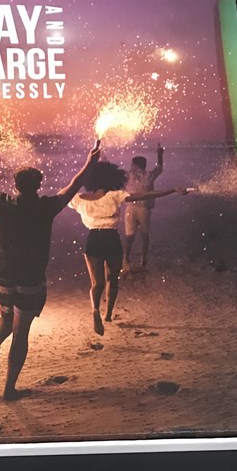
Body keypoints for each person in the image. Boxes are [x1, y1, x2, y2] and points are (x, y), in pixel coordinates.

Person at [0, 141, 101, 401]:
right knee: (21, 332)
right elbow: (75, 184)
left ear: (15, 185)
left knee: (5, 317)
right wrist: (89, 163)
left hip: (2, 276)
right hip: (31, 279)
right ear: (39, 186)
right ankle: (9, 388)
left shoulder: (2, 202)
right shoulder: (47, 206)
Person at [69, 160, 188, 335]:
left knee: (96, 283)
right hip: (111, 239)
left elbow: (63, 193)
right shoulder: (115, 195)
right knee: (112, 279)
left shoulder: (79, 199)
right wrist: (171, 190)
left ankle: (95, 310)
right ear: (112, 178)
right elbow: (144, 195)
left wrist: (82, 173)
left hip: (93, 240)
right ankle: (108, 315)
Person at [122, 143, 165, 274]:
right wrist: (159, 154)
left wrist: (102, 156)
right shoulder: (147, 175)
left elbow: (113, 173)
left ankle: (128, 261)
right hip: (142, 208)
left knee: (130, 237)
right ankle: (142, 262)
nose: (131, 166)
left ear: (136, 165)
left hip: (132, 208)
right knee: (144, 236)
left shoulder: (129, 175)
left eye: (132, 164)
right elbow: (159, 168)